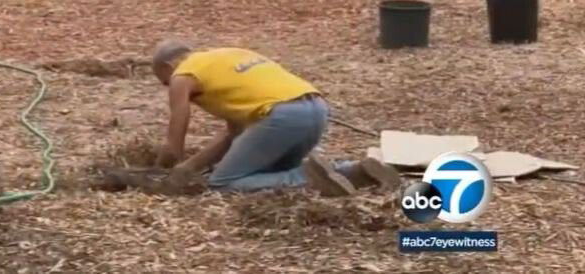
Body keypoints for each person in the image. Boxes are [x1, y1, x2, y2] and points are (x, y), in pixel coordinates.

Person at [150, 40, 399, 196]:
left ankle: (307, 179)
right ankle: (354, 170)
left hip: (282, 117)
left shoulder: (182, 75)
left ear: (170, 65)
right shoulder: (227, 56)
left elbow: (174, 142)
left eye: (164, 81)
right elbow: (233, 134)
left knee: (223, 183)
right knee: (273, 169)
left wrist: (165, 169)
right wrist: (190, 167)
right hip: (316, 108)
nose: (167, 86)